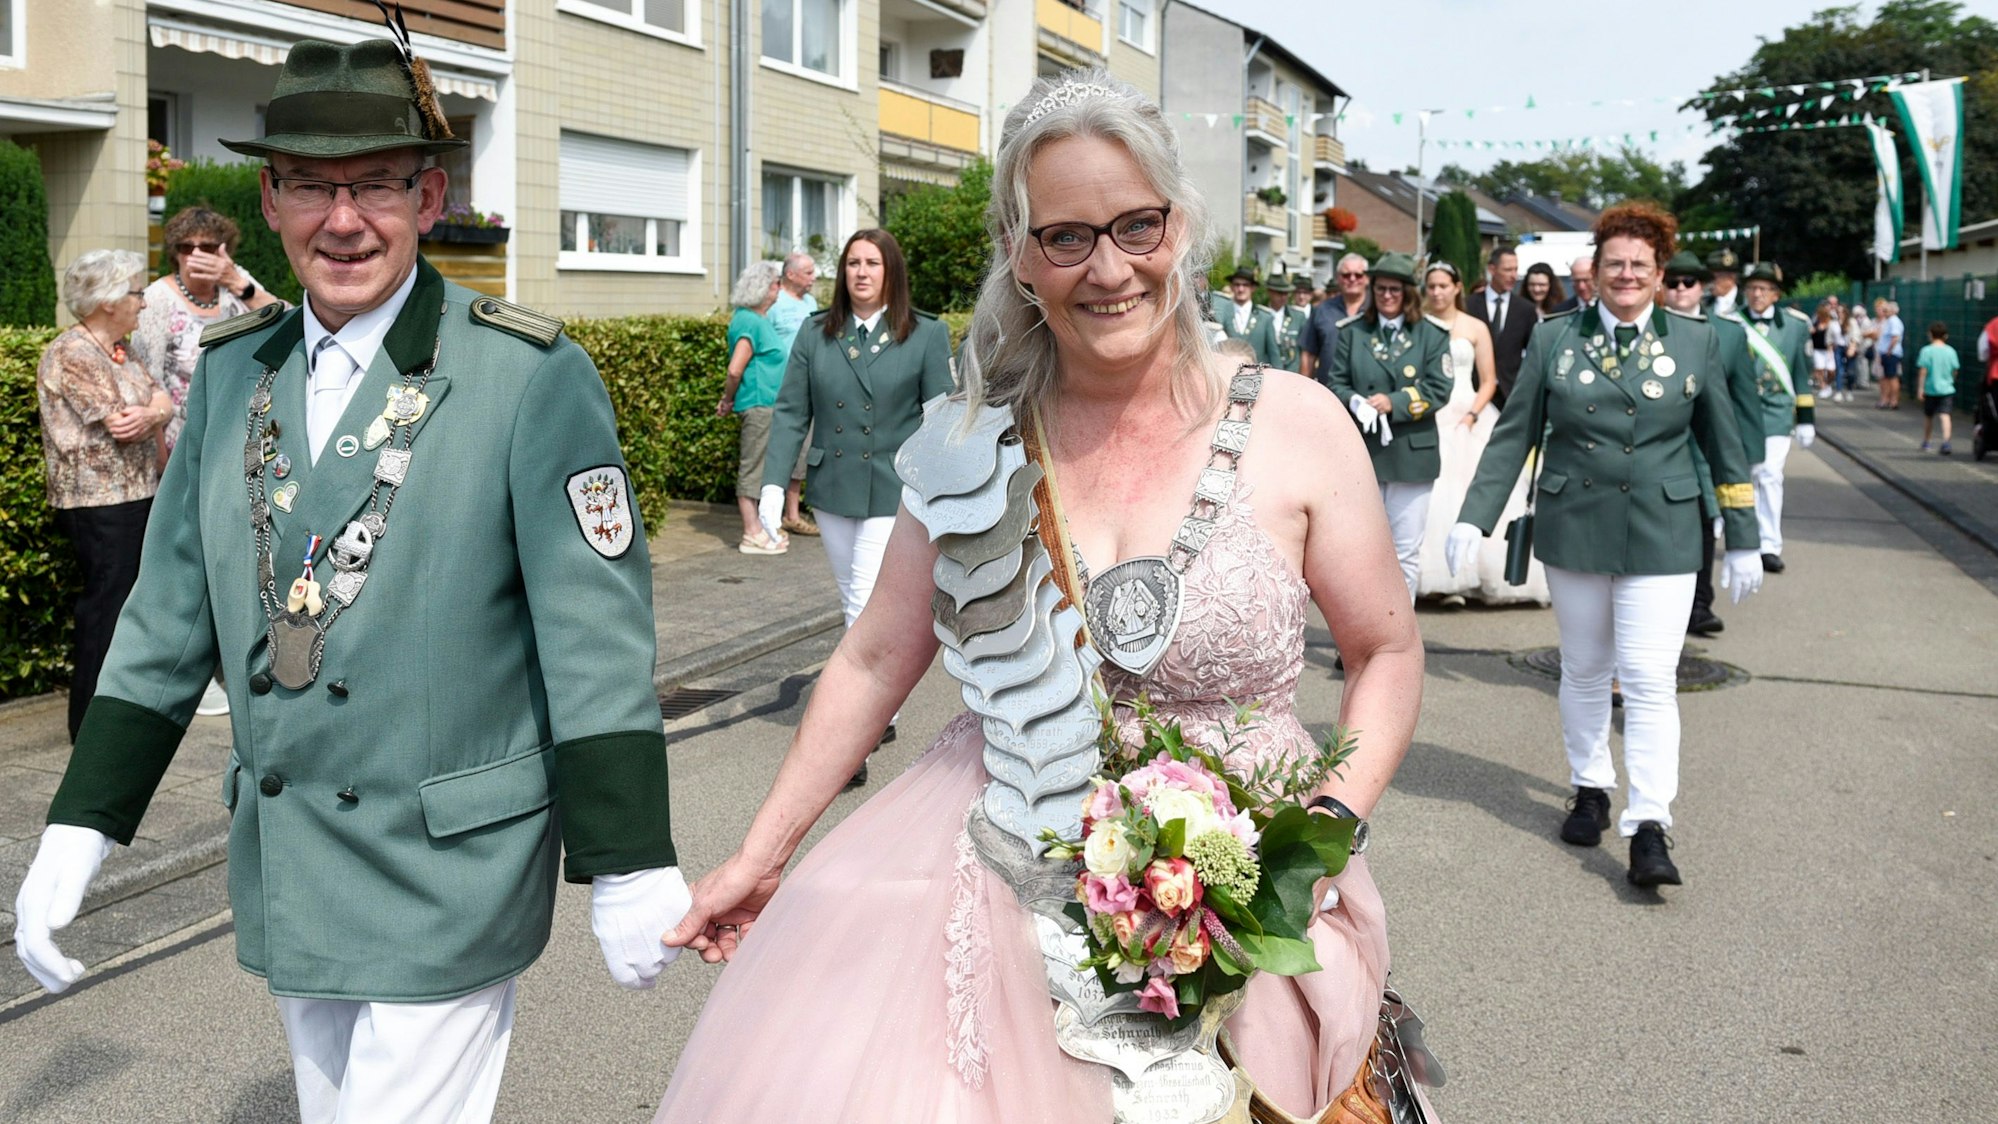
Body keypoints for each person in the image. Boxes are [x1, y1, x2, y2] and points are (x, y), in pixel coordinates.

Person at [655, 69, 1430, 1124]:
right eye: (1066, 237)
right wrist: (761, 851)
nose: (1108, 268)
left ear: (1181, 226)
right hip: (1001, 859)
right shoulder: (966, 445)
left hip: (1250, 873)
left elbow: (1386, 651)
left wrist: (1325, 831)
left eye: (1135, 226)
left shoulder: (1298, 424)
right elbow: (878, 654)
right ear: (1020, 256)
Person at [11, 39, 689, 1124]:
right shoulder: (235, 370)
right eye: (314, 185)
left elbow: (592, 625)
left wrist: (630, 853)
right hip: (295, 854)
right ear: (269, 201)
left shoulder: (526, 371)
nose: (344, 218)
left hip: (449, 863)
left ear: (428, 195)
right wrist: (81, 822)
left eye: (374, 182)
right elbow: (170, 608)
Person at [1446, 202, 1764, 888]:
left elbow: (1724, 442)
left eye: (1639, 265)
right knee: (1586, 667)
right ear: (1595, 268)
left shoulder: (1696, 340)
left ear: (1659, 272)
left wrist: (1743, 536)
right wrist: (1476, 514)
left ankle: (1650, 822)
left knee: (1649, 678)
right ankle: (1590, 785)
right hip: (1577, 525)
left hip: (1664, 530)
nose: (1626, 274)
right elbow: (1516, 432)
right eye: (1614, 262)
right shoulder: (1559, 337)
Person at [758, 227, 954, 785]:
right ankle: (883, 705)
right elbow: (792, 411)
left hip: (892, 488)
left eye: (872, 263)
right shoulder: (818, 333)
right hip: (833, 486)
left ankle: (850, 745)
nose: (861, 273)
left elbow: (938, 417)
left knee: (862, 601)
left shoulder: (922, 334)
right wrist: (774, 484)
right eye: (852, 264)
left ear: (891, 270)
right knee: (855, 598)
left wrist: (945, 492)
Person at [131, 206, 288, 719]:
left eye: (211, 246)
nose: (199, 256)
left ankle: (233, 666)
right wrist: (160, 456)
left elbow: (289, 327)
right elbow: (146, 376)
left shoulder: (235, 290)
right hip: (179, 447)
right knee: (188, 562)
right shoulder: (156, 299)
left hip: (240, 447)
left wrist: (238, 284)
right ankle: (197, 674)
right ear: (174, 252)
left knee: (240, 557)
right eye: (188, 247)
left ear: (227, 249)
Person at [35, 249, 172, 742]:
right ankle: (88, 727)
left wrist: (154, 410)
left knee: (126, 607)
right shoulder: (74, 352)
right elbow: (124, 424)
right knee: (105, 609)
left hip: (134, 493)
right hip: (97, 502)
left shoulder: (120, 348)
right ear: (107, 299)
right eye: (136, 292)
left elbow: (160, 400)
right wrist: (154, 411)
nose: (143, 302)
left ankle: (116, 715)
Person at [1416, 260, 1547, 604]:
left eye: (1444, 285)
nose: (1437, 292)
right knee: (1432, 494)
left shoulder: (1474, 326)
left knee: (1475, 485)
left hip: (1468, 410)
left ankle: (1479, 572)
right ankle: (1438, 577)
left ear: (1457, 287)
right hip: (1430, 411)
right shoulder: (1419, 325)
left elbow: (1489, 380)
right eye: (1431, 286)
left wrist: (1472, 413)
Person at [1327, 251, 1452, 603]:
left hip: (1412, 455)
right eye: (1380, 289)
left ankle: (1398, 640)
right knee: (1359, 552)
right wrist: (1355, 402)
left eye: (1394, 290)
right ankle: (1357, 639)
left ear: (1408, 292)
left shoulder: (1430, 334)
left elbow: (1439, 389)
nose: (1386, 296)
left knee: (1404, 554)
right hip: (1363, 453)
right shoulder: (1353, 332)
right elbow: (1335, 381)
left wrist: (1393, 403)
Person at [1661, 251, 1763, 638]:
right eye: (1673, 282)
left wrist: (1749, 456)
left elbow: (1743, 400)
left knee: (1704, 523)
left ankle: (1699, 604)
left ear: (1702, 287)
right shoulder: (1648, 329)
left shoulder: (1729, 333)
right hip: (1665, 443)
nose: (1681, 290)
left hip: (1707, 449)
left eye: (1689, 282)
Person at [1739, 263, 1815, 574]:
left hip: (1776, 411)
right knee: (1745, 476)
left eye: (1763, 289)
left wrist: (1807, 418)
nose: (1757, 294)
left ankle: (1769, 544)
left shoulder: (1795, 327)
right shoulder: (1731, 322)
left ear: (1775, 294)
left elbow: (1800, 372)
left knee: (1769, 474)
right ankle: (1744, 538)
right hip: (1740, 410)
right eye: (1752, 288)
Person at [719, 260, 793, 553]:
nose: (779, 289)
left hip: (767, 404)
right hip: (760, 404)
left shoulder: (756, 319)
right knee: (752, 468)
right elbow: (736, 369)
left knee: (761, 467)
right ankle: (751, 533)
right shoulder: (750, 320)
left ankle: (760, 527)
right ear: (763, 288)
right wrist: (727, 399)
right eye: (776, 284)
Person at [766, 251, 820, 537]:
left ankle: (792, 514)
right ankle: (775, 514)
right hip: (778, 391)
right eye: (809, 272)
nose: (814, 277)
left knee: (803, 453)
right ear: (791, 274)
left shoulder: (811, 302)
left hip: (810, 389)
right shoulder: (775, 303)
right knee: (781, 452)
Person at [1466, 244, 1536, 411]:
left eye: (1516, 269)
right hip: (1474, 393)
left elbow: (1533, 353)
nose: (1513, 276)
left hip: (1510, 395)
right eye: (1507, 270)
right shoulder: (1469, 304)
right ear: (1492, 269)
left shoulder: (1525, 309)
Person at [1299, 251, 1369, 383]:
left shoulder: (1377, 309)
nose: (1352, 279)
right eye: (1346, 275)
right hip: (1330, 392)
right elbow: (1308, 354)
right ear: (1338, 278)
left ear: (1367, 278)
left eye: (1358, 275)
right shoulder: (1322, 310)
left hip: (1369, 396)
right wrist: (1302, 390)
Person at [1212, 265, 1281, 367]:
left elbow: (1274, 355)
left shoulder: (1265, 318)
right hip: (1226, 373)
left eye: (1245, 285)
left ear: (1253, 288)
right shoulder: (1220, 313)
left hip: (1257, 376)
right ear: (1231, 286)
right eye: (1237, 284)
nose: (1241, 289)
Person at [1915, 321, 1959, 454]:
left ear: (1930, 335)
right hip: (1947, 389)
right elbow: (1955, 369)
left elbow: (1923, 371)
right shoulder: (1951, 351)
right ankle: (1946, 442)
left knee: (1929, 416)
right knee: (1945, 415)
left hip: (1930, 388)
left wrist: (1920, 388)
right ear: (1945, 336)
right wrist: (1951, 381)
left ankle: (1927, 441)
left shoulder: (1926, 351)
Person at [1264, 272, 1306, 371]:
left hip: (1292, 374)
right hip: (1267, 372)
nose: (1283, 297)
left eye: (1286, 293)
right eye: (1279, 293)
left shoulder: (1298, 317)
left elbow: (1304, 351)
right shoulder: (1261, 315)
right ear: (1270, 292)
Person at [1875, 298, 1905, 409]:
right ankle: (1887, 399)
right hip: (1888, 353)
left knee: (1892, 377)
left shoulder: (1894, 321)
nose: (1884, 312)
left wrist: (1888, 350)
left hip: (1891, 353)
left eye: (1886, 310)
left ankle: (1893, 401)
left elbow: (1895, 337)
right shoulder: (1890, 321)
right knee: (1887, 377)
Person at [1702, 248, 1741, 318]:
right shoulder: (1703, 304)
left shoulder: (1747, 303)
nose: (1709, 282)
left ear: (1731, 277)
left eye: (1713, 277)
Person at [1809, 304, 1836, 397]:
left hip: (1828, 349)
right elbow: (1811, 332)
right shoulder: (1816, 322)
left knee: (1831, 370)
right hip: (1817, 349)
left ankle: (1828, 384)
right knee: (1819, 368)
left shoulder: (1831, 323)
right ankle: (1823, 386)